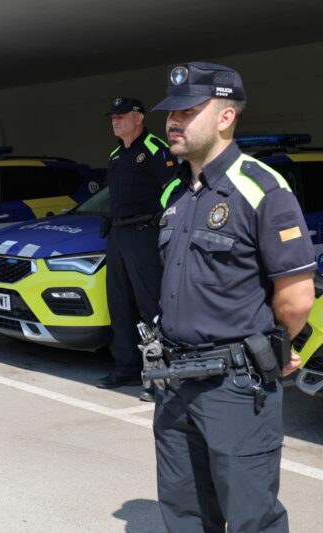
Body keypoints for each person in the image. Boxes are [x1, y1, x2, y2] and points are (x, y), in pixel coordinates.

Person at [151, 61, 315, 531]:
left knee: (250, 516)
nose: (173, 122)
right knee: (184, 512)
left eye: (188, 110)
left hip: (236, 389)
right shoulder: (174, 194)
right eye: (171, 112)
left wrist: (272, 347)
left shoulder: (262, 187)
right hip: (174, 381)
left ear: (226, 117)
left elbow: (296, 295)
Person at [96, 97, 177, 401]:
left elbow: (173, 185)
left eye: (121, 116)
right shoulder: (116, 154)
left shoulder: (155, 148)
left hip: (145, 233)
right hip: (118, 235)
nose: (115, 121)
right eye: (112, 116)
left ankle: (160, 376)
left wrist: (161, 218)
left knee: (150, 307)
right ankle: (126, 367)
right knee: (120, 304)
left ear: (139, 118)